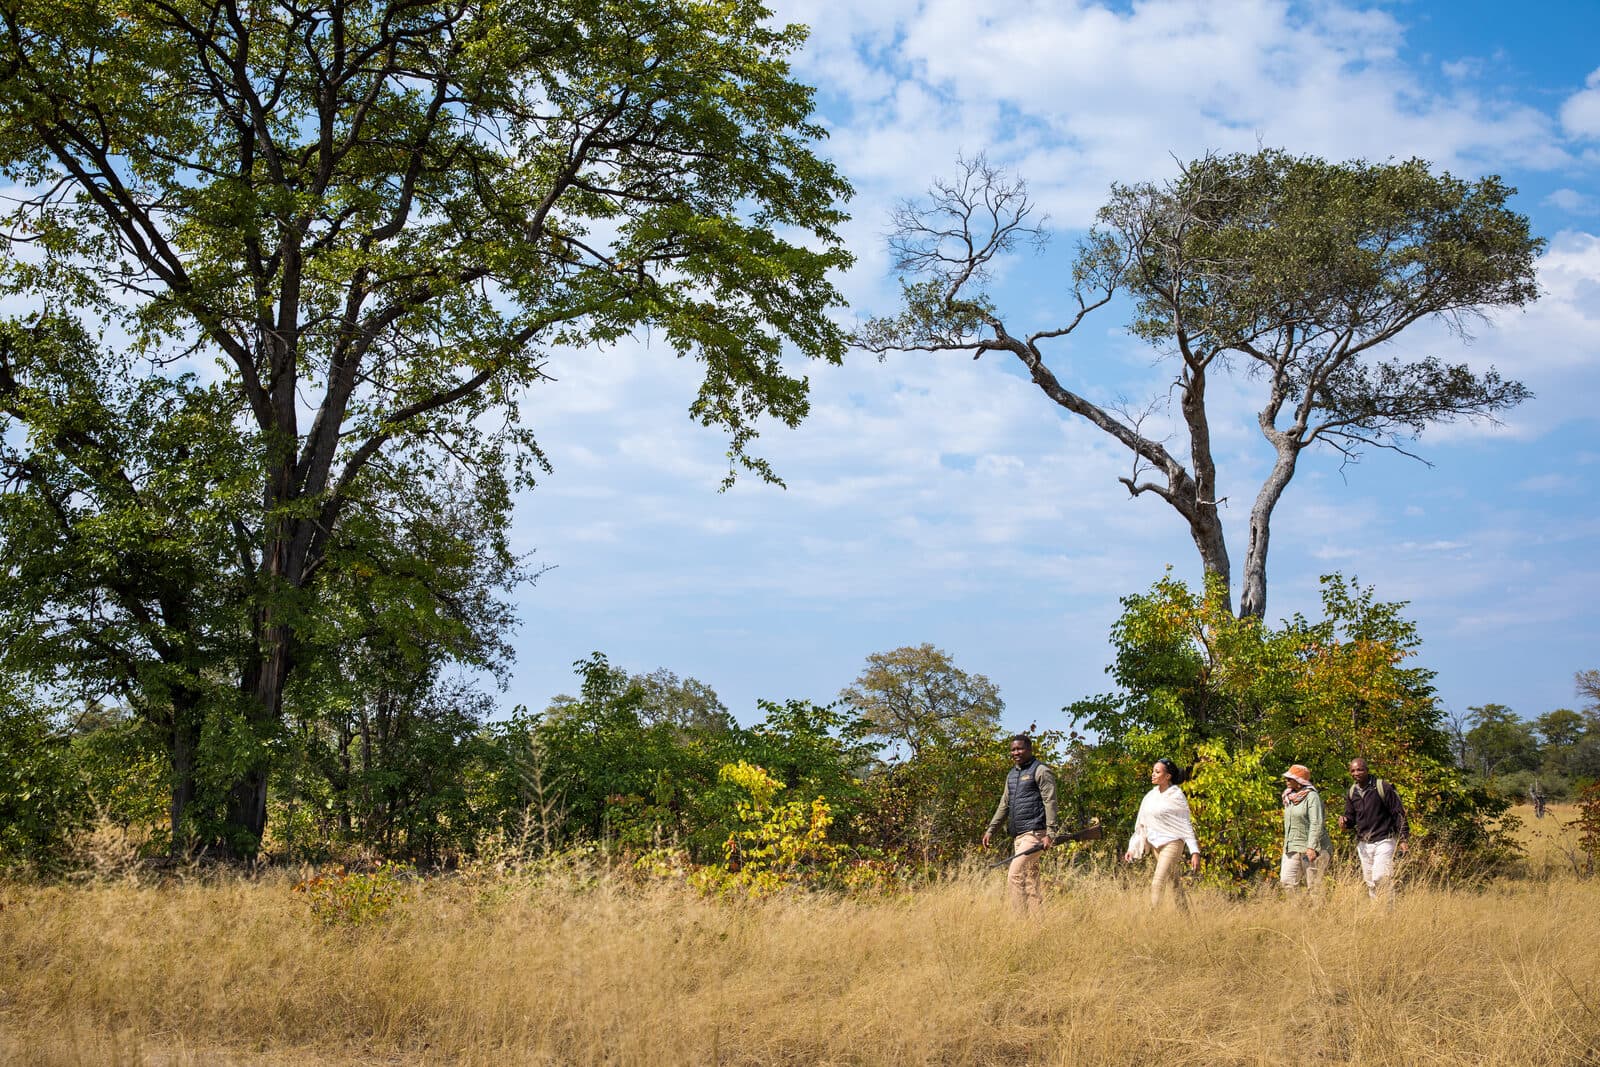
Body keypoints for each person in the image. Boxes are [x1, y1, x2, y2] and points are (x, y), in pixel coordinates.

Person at [982, 734, 1059, 915]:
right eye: (1013, 749)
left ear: (1029, 749)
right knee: (1031, 883)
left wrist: (1051, 833)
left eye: (1020, 748)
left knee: (1014, 875)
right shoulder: (1012, 775)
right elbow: (1004, 805)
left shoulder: (1041, 771)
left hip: (1035, 834)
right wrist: (991, 830)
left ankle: (1019, 922)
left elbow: (1050, 802)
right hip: (1018, 836)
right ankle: (1038, 926)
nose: (1016, 752)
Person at [1123, 758, 1201, 908]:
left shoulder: (1176, 795)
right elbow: (1142, 825)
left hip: (1173, 843)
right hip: (1155, 845)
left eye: (1157, 772)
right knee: (1175, 883)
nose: (1153, 774)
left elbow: (1185, 824)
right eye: (1153, 771)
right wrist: (1132, 848)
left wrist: (1195, 852)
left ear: (1167, 776)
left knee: (1157, 882)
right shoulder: (1150, 796)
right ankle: (1186, 918)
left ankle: (1153, 918)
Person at [1337, 757, 1409, 904]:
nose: (1356, 773)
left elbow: (1398, 813)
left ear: (1367, 770)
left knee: (1380, 876)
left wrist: (1403, 838)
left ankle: (1389, 907)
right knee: (1370, 881)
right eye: (1353, 770)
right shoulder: (1352, 792)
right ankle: (1377, 910)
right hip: (1364, 844)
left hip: (1385, 839)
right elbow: (1351, 818)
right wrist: (1345, 822)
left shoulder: (1382, 787)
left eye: (1360, 769)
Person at [1279, 764, 1331, 898]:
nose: (1286, 781)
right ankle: (1297, 910)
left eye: (1290, 778)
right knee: (1287, 881)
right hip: (1292, 847)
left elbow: (1316, 822)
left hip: (1312, 848)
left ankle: (1318, 911)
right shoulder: (1289, 797)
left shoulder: (1312, 796)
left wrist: (1311, 847)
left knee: (1314, 887)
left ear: (1299, 781)